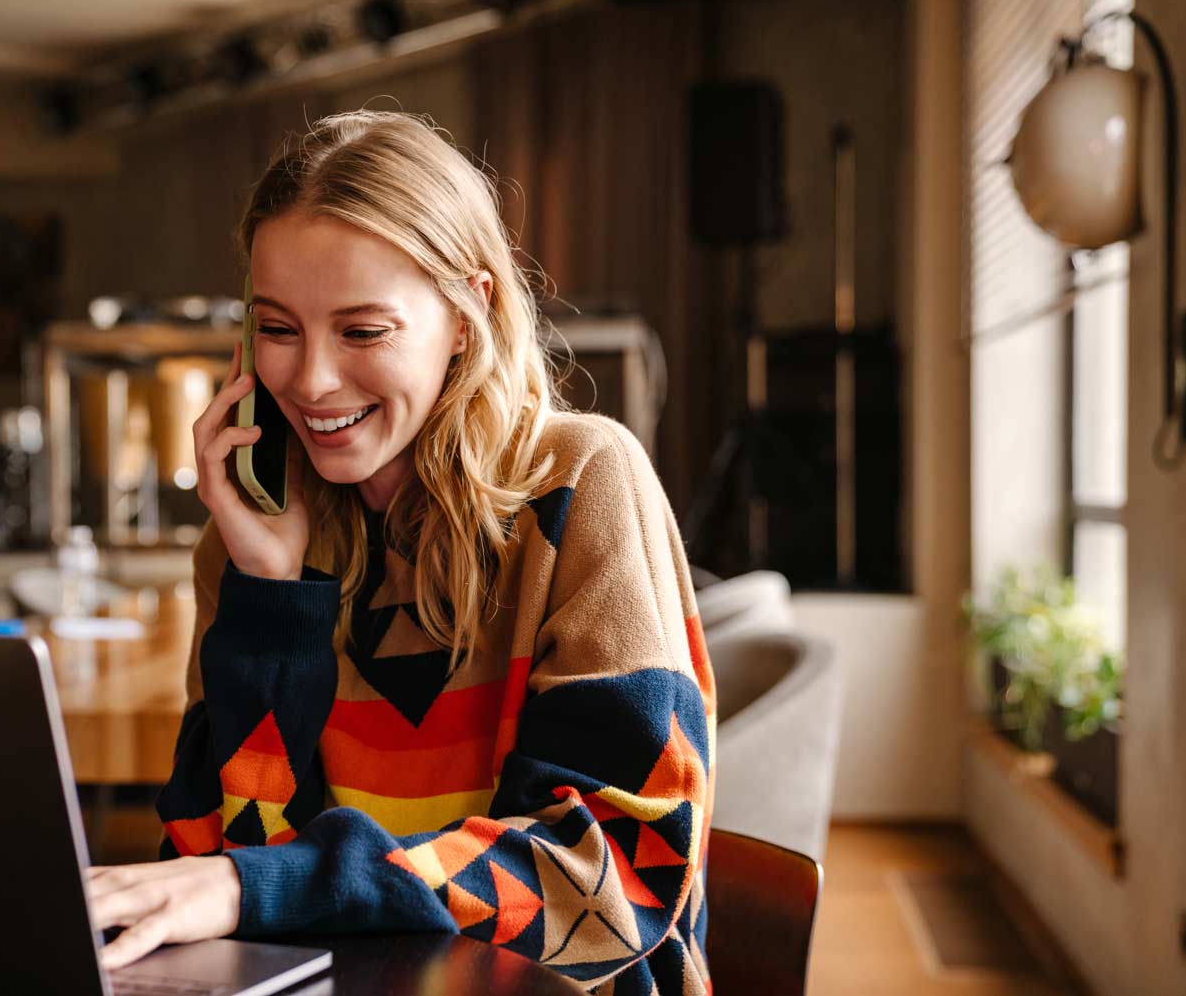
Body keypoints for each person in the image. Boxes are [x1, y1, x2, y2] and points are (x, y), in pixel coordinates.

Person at [85, 110, 716, 995]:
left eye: (363, 331)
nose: (309, 381)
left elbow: (611, 881)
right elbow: (220, 856)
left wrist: (268, 884)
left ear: (468, 313)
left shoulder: (581, 485)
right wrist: (270, 597)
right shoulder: (247, 545)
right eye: (277, 328)